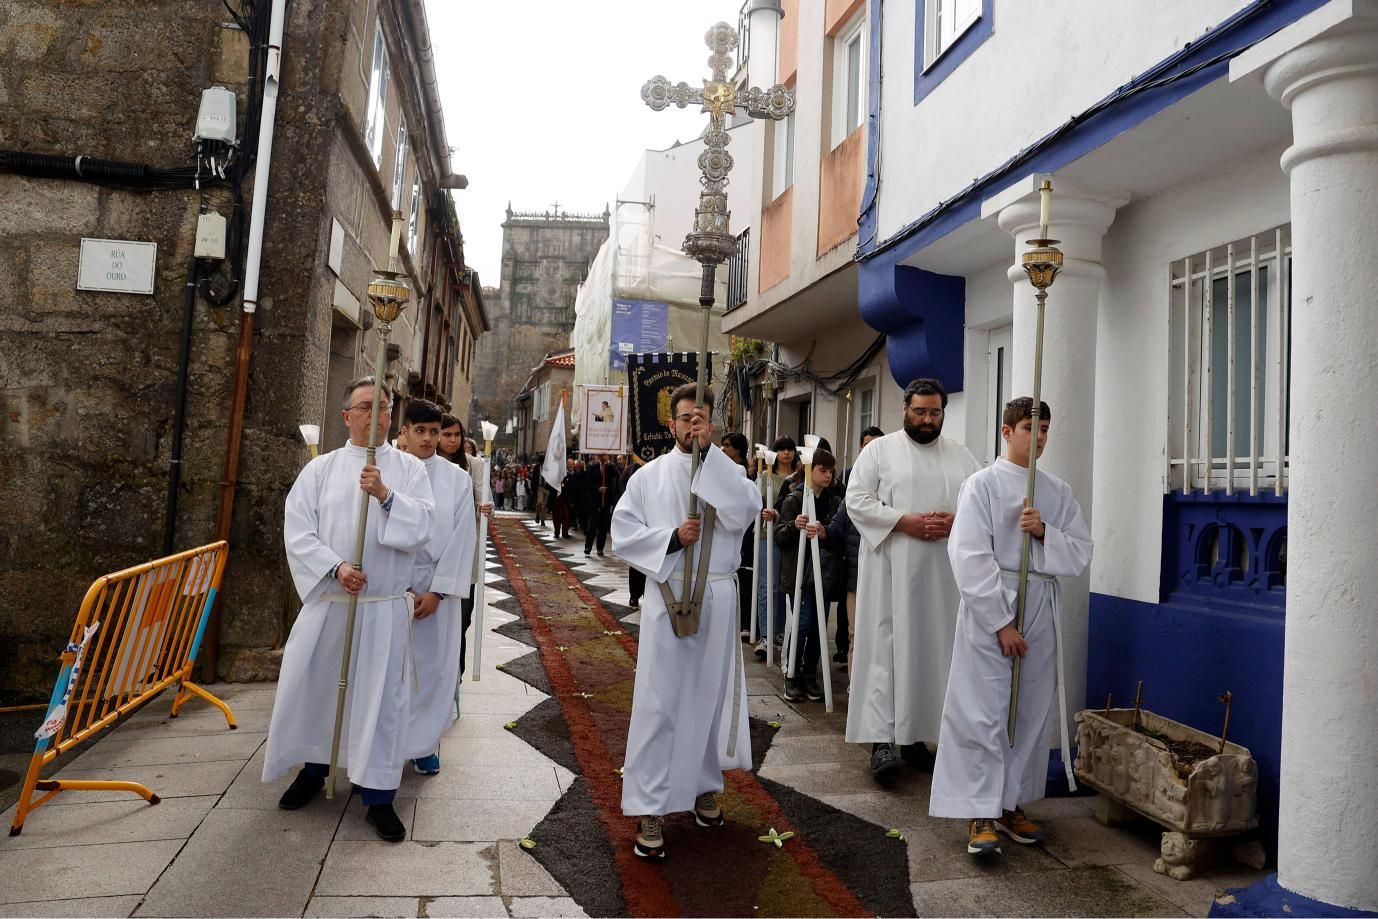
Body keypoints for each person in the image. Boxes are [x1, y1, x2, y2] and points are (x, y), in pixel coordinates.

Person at [265, 377, 435, 842]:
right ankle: (314, 769)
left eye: (384, 407)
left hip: (382, 608)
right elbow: (298, 531)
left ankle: (378, 795)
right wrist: (336, 567)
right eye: (366, 406)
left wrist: (385, 496)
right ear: (346, 416)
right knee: (320, 688)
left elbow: (423, 527)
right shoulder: (319, 471)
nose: (377, 415)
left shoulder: (409, 470)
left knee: (380, 700)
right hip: (334, 601)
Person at [929, 397, 1092, 856]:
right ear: (1006, 431)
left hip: (1041, 600)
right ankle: (980, 810)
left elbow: (1080, 552)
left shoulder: (1056, 491)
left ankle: (1010, 801)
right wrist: (1001, 621)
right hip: (994, 602)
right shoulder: (980, 486)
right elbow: (968, 555)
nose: (1038, 438)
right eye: (1028, 428)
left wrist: (1045, 533)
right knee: (985, 707)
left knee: (1030, 708)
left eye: (1044, 430)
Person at [611, 384, 761, 859]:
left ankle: (702, 786)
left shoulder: (728, 471)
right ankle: (649, 807)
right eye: (683, 418)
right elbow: (624, 533)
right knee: (660, 701)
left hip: (716, 595)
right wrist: (672, 538)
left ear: (710, 423)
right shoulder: (648, 477)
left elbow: (743, 512)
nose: (691, 425)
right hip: (669, 595)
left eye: (700, 418)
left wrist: (710, 461)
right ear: (670, 423)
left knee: (708, 697)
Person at [844, 378, 981, 782]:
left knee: (929, 651)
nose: (926, 419)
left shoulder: (961, 456)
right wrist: (904, 521)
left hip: (941, 577)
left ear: (943, 413)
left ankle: (917, 737)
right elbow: (857, 500)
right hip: (891, 572)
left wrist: (957, 521)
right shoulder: (880, 452)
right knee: (887, 649)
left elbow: (979, 503)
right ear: (905, 409)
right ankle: (882, 741)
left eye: (934, 412)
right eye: (919, 411)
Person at [398, 400, 477, 776]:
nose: (429, 439)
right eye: (422, 431)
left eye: (435, 432)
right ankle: (391, 739)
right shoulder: (389, 472)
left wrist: (438, 591)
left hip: (434, 587)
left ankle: (425, 743)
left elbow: (464, 538)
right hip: (393, 587)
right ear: (405, 433)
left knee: (433, 669)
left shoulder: (457, 479)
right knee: (391, 669)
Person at [775, 449, 840, 702]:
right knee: (803, 624)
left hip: (822, 574)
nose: (828, 474)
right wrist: (794, 526)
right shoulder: (794, 499)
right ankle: (792, 675)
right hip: (800, 574)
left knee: (818, 627)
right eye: (822, 469)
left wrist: (826, 532)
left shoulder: (834, 501)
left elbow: (837, 535)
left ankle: (809, 675)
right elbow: (780, 536)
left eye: (830, 470)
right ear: (810, 469)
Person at [833, 426, 883, 666]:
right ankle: (855, 693)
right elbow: (836, 530)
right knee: (856, 635)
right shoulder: (850, 484)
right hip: (856, 574)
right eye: (867, 445)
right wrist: (821, 531)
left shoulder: (892, 484)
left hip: (884, 576)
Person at [753, 436, 798, 661]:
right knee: (766, 585)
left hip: (788, 537)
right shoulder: (765, 476)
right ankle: (765, 635)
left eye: (790, 449)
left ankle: (778, 633)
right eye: (782, 449)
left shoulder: (799, 478)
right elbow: (755, 503)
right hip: (766, 535)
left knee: (782, 587)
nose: (786, 453)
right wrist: (764, 513)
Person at [720, 432, 755, 640]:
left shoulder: (743, 475)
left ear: (739, 449)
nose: (724, 449)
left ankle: (746, 622)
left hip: (744, 535)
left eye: (728, 446)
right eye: (722, 445)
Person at [583, 455, 619, 557]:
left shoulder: (610, 467)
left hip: (606, 502)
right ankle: (588, 547)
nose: (604, 457)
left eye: (606, 456)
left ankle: (600, 548)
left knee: (603, 526)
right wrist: (598, 489)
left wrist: (609, 465)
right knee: (592, 525)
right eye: (602, 455)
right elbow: (588, 484)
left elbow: (617, 474)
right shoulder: (593, 468)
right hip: (595, 501)